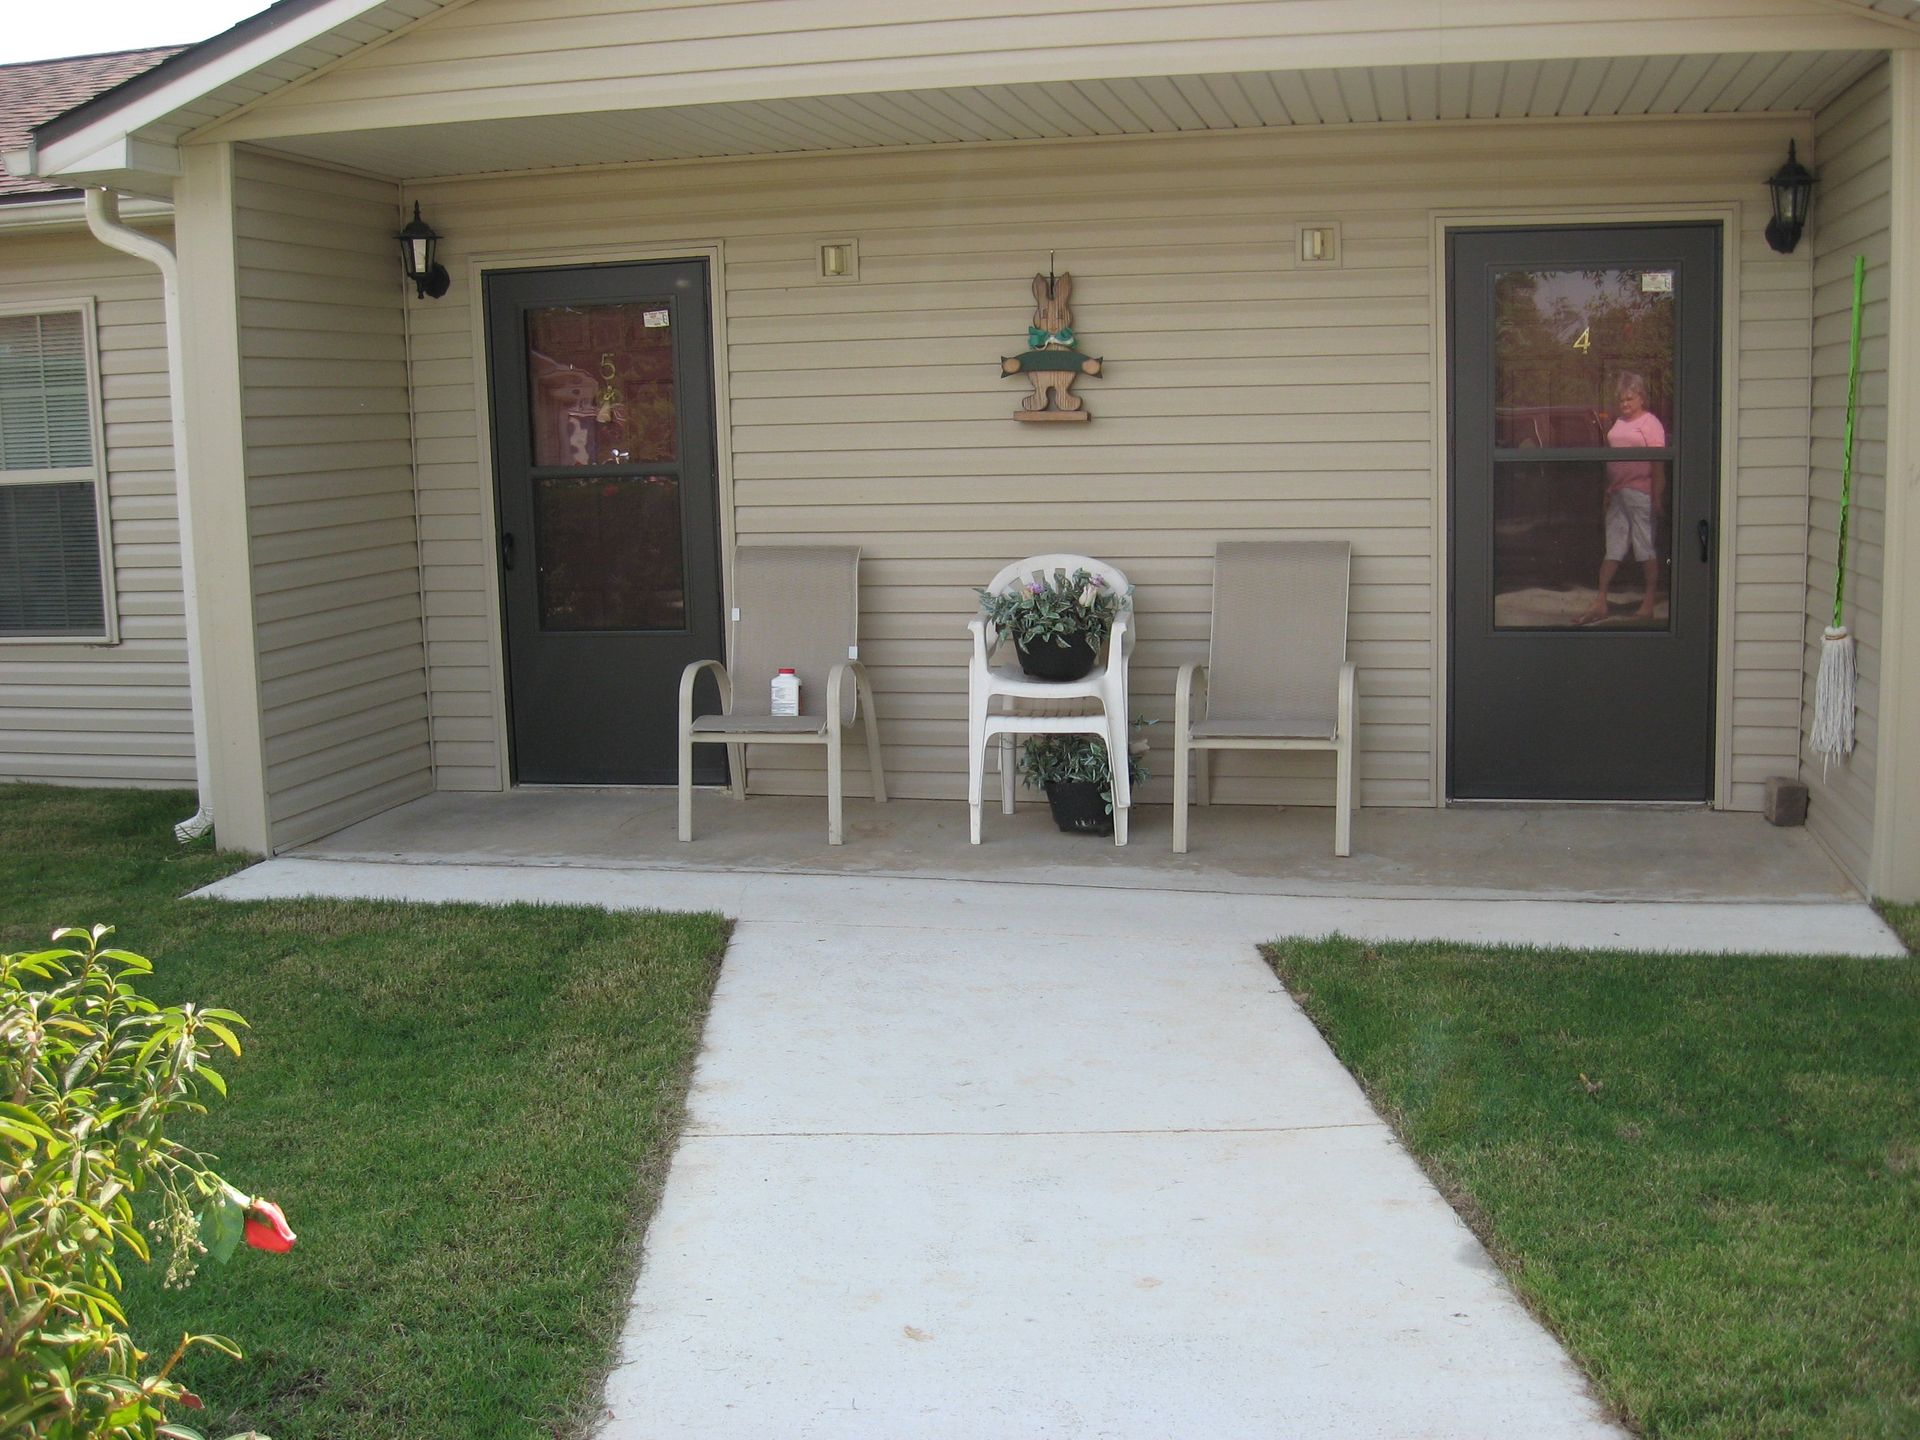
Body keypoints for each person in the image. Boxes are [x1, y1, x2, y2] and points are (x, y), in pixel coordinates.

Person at [1578, 372, 1667, 625]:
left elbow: (1658, 464)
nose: (1625, 404)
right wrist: (1608, 490)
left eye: (1629, 399)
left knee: (1644, 547)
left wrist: (1657, 495)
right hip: (1617, 493)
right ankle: (1601, 600)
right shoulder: (1618, 423)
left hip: (1640, 493)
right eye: (1621, 401)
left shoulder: (1651, 424)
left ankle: (1648, 602)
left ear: (1641, 397)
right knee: (1613, 549)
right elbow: (1612, 460)